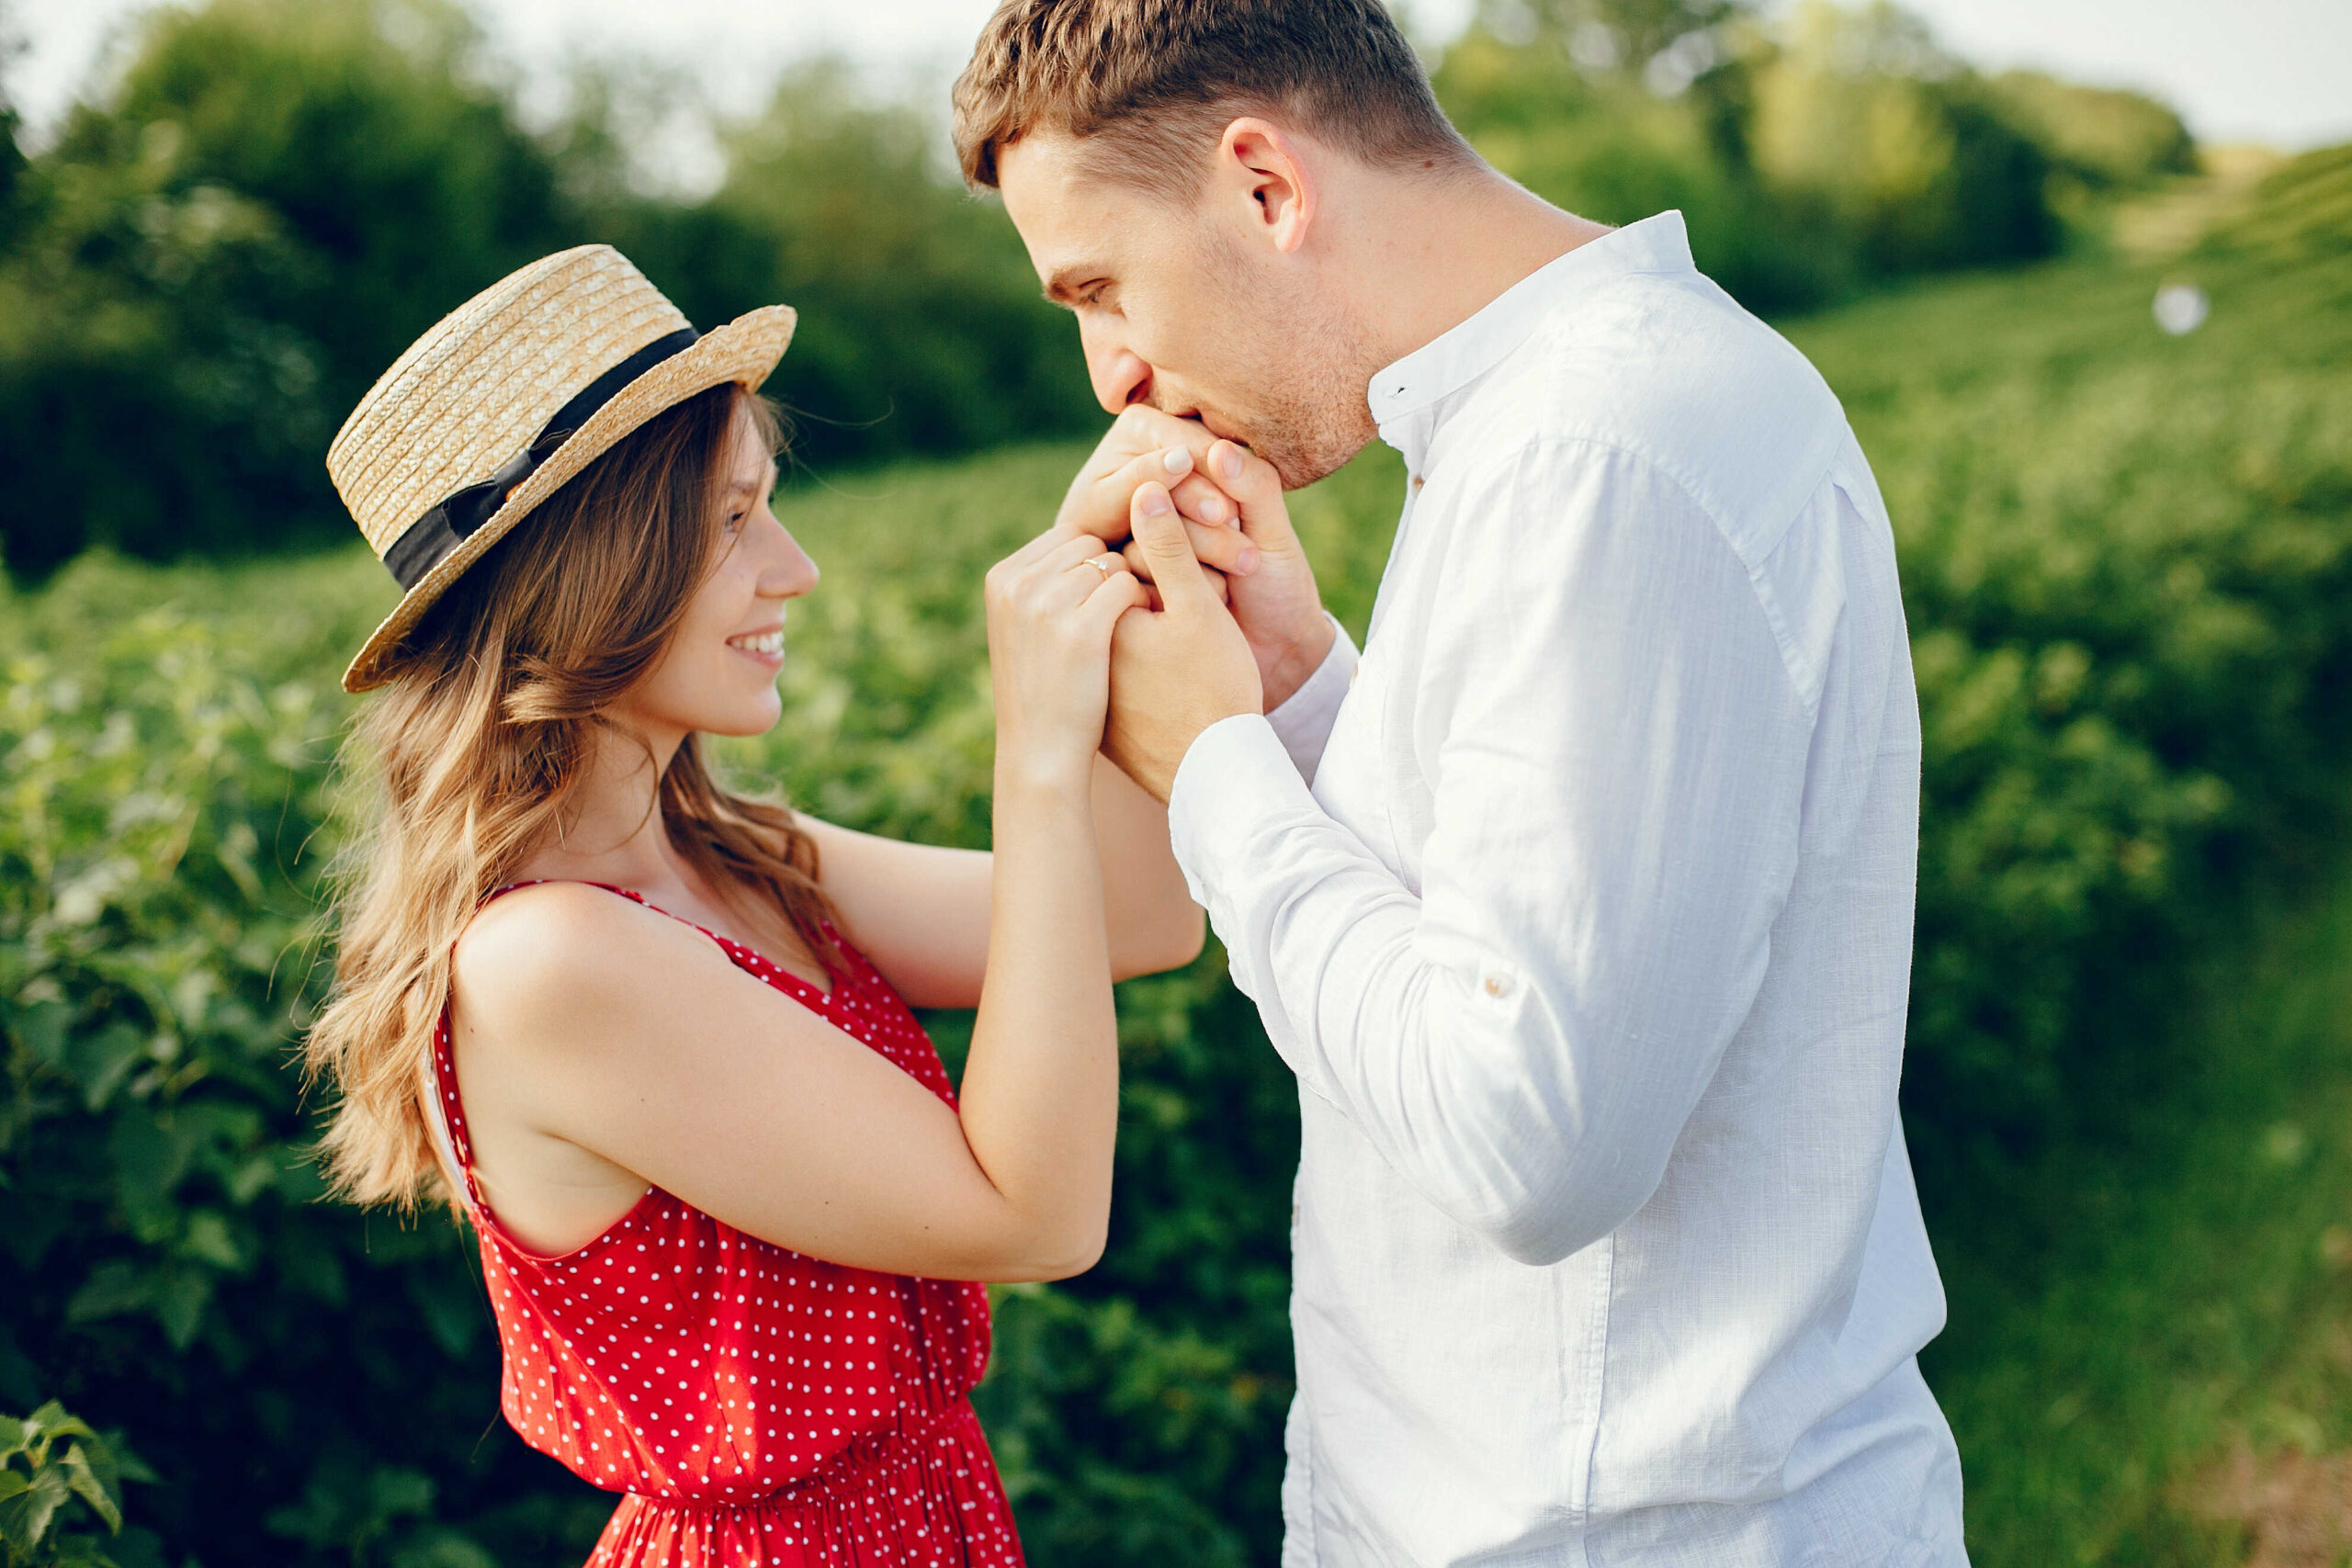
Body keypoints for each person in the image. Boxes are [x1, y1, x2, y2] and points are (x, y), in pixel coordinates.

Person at [952, 1, 1970, 1563]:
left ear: (1264, 187)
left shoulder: (1599, 454)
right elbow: (1525, 911)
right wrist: (1297, 698)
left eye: (1099, 287)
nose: (1110, 372)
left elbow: (1528, 1136)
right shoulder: (1550, 423)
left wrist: (1213, 775)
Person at [300, 243, 1215, 1564]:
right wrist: (1037, 753)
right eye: (733, 522)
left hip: (924, 1517)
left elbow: (1142, 916)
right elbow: (1040, 1218)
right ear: (593, 573)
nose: (794, 569)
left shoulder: (735, 856)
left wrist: (1120, 566)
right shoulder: (549, 958)